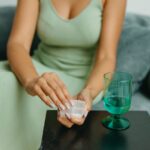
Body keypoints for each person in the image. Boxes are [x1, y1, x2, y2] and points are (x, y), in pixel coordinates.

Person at [0, 0, 127, 149]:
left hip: (84, 82)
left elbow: (107, 57)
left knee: (56, 104)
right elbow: (17, 44)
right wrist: (31, 81)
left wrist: (89, 92)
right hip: (36, 71)